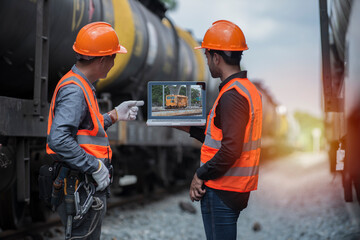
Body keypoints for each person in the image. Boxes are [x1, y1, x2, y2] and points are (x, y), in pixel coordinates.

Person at [46, 22, 143, 239]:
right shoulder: (75, 90)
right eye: (114, 57)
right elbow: (59, 139)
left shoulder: (81, 84)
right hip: (80, 183)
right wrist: (95, 166)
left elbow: (86, 128)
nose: (114, 63)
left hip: (81, 183)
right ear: (102, 59)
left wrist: (115, 115)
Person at [177, 20, 262, 240]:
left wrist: (200, 175)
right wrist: (183, 125)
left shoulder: (231, 96)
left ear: (216, 57)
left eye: (206, 56)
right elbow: (218, 134)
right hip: (234, 187)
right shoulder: (244, 89)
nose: (207, 62)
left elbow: (231, 148)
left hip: (222, 188)